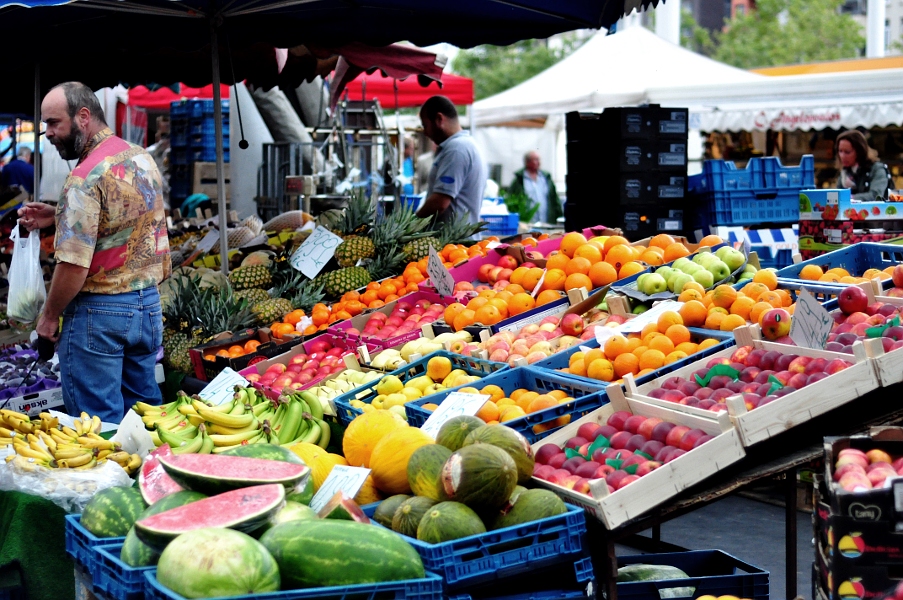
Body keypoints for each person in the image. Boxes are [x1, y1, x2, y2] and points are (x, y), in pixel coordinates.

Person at [17, 82, 171, 423]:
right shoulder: (140, 157)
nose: (48, 133)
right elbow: (126, 218)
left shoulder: (83, 178)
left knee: (100, 426)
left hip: (100, 315)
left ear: (83, 116)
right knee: (146, 417)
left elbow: (73, 266)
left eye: (54, 123)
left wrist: (48, 317)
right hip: (147, 306)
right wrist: (60, 214)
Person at [416, 96, 487, 225]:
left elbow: (440, 203)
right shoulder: (465, 145)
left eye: (425, 125)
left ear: (439, 119)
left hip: (455, 238)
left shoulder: (456, 149)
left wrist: (411, 224)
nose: (425, 132)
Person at [835, 130, 893, 202]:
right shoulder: (845, 172)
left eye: (847, 152)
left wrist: (848, 197)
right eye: (840, 151)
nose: (842, 156)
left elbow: (875, 195)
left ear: (859, 151)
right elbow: (837, 196)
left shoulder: (877, 169)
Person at [508, 151, 562, 225]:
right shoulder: (519, 180)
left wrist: (559, 216)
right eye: (535, 160)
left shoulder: (546, 178)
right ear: (527, 162)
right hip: (528, 224)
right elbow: (511, 200)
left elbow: (554, 199)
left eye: (538, 159)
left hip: (547, 222)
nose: (538, 162)